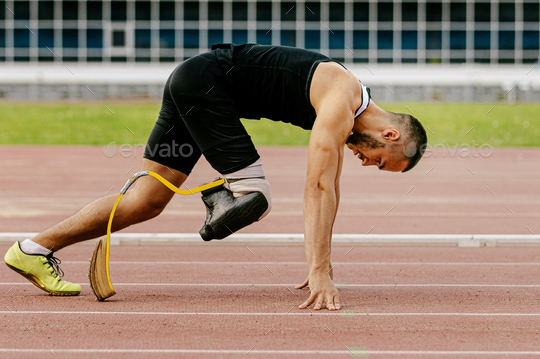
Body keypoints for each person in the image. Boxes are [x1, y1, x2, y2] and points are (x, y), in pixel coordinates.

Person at [4, 44, 427, 310]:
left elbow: (330, 187)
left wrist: (324, 264)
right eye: (379, 161)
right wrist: (318, 271)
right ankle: (221, 198)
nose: (366, 164)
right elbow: (317, 185)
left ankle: (33, 248)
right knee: (254, 194)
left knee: (147, 200)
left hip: (195, 85)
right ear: (389, 135)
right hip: (206, 87)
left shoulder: (346, 107)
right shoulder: (342, 96)